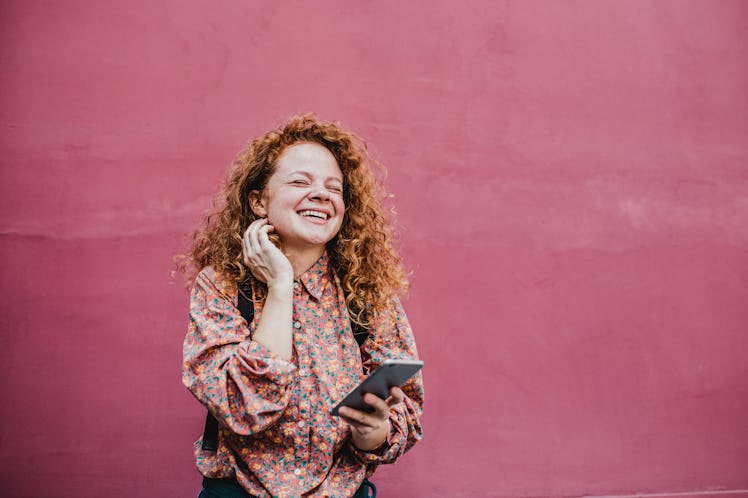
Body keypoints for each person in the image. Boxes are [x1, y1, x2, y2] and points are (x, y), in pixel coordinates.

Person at [179, 114, 424, 498]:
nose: (322, 195)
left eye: (334, 187)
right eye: (299, 182)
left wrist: (374, 433)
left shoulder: (367, 293)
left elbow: (404, 409)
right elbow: (246, 408)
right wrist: (280, 287)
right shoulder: (223, 286)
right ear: (258, 201)